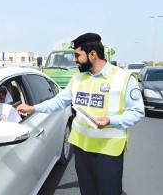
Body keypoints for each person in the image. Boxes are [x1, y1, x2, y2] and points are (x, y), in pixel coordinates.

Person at [17, 33, 145, 195]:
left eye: (77, 55)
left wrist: (111, 120)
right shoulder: (77, 78)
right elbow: (59, 102)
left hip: (108, 152)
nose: (74, 60)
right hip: (81, 149)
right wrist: (32, 108)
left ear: (93, 55)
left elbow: (137, 112)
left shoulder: (123, 78)